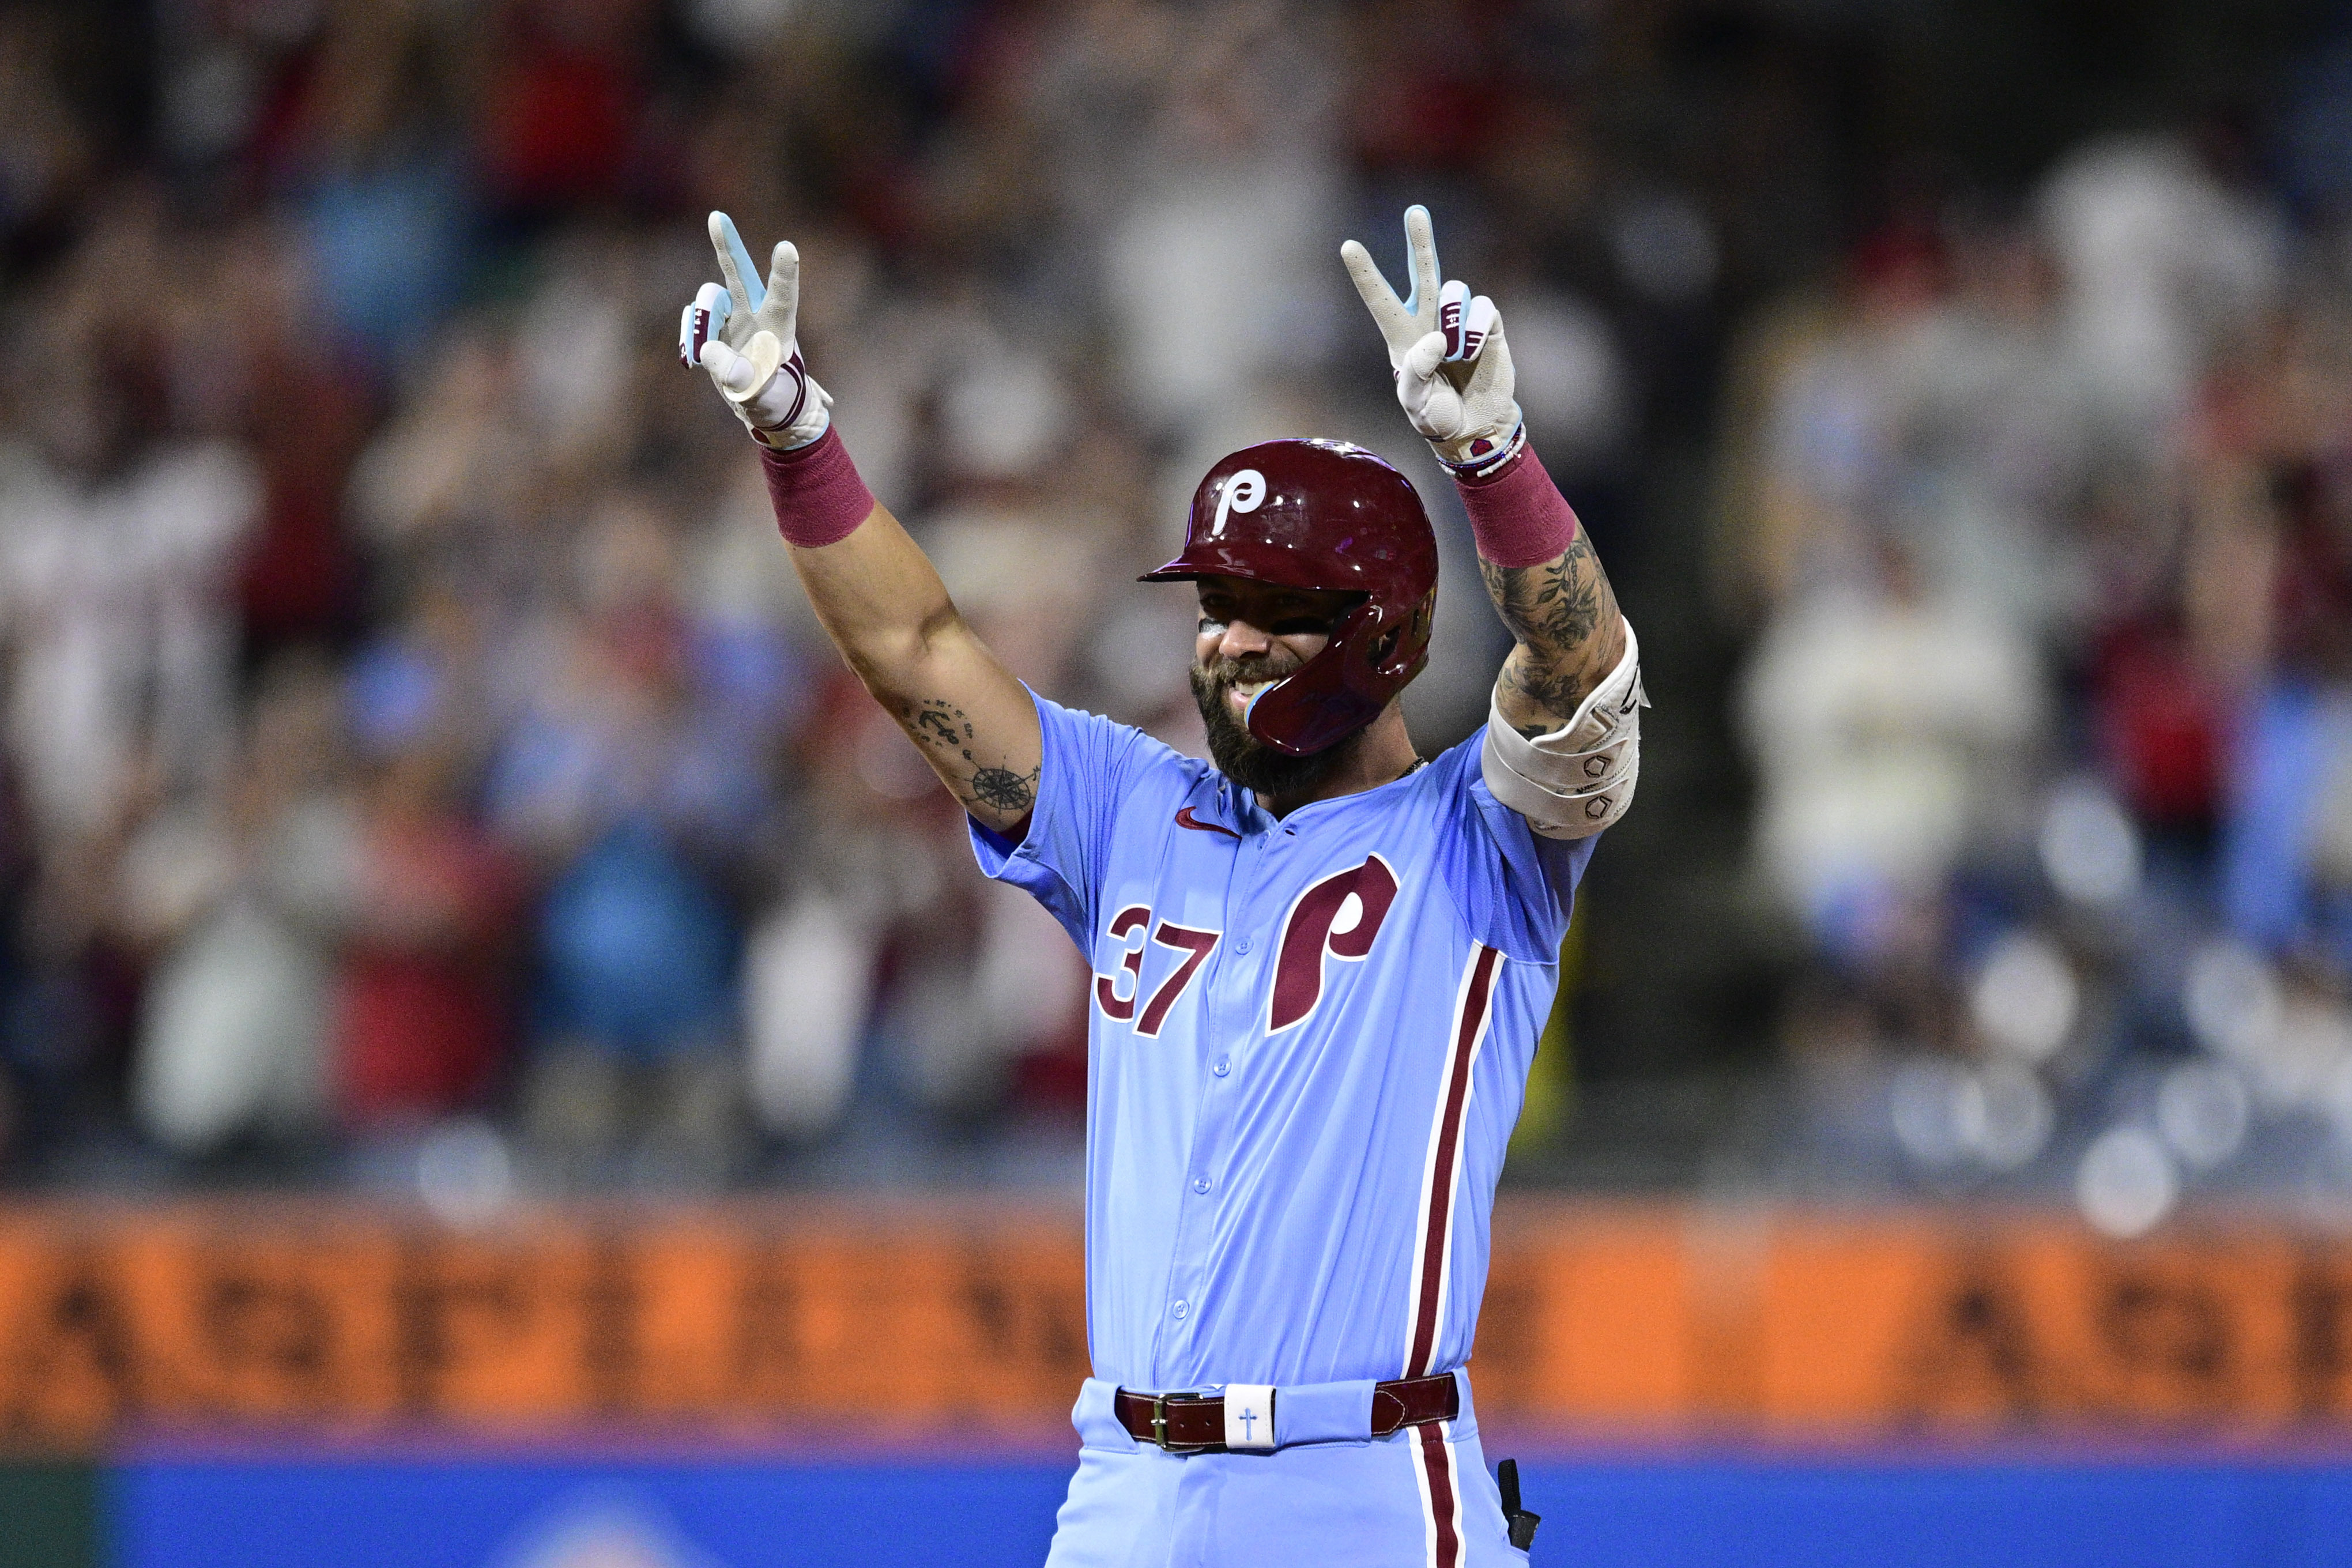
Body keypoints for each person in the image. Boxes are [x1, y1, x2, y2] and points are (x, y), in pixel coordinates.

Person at [681, 204, 1644, 1567]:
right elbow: (914, 646)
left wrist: (1491, 459)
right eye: (1212, 605)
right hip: (1123, 1482)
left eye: (1271, 606)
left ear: (1379, 628)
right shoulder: (1132, 808)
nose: (1228, 640)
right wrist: (796, 435)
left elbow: (1583, 677)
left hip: (1362, 1479)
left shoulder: (1486, 839)